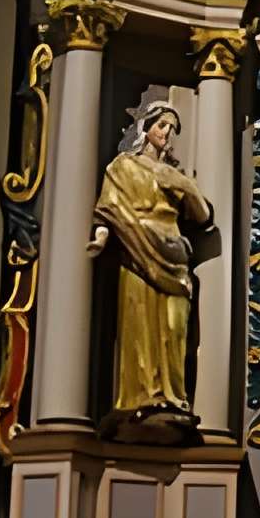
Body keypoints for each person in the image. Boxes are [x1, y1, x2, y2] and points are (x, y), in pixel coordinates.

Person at [88, 102, 212, 434]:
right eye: (162, 126)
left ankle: (173, 397)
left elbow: (202, 216)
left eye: (171, 129)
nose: (166, 133)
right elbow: (108, 211)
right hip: (136, 251)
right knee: (139, 328)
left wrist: (186, 187)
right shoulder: (123, 168)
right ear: (147, 127)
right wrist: (100, 240)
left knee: (174, 330)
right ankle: (138, 400)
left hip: (173, 255)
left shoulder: (174, 174)